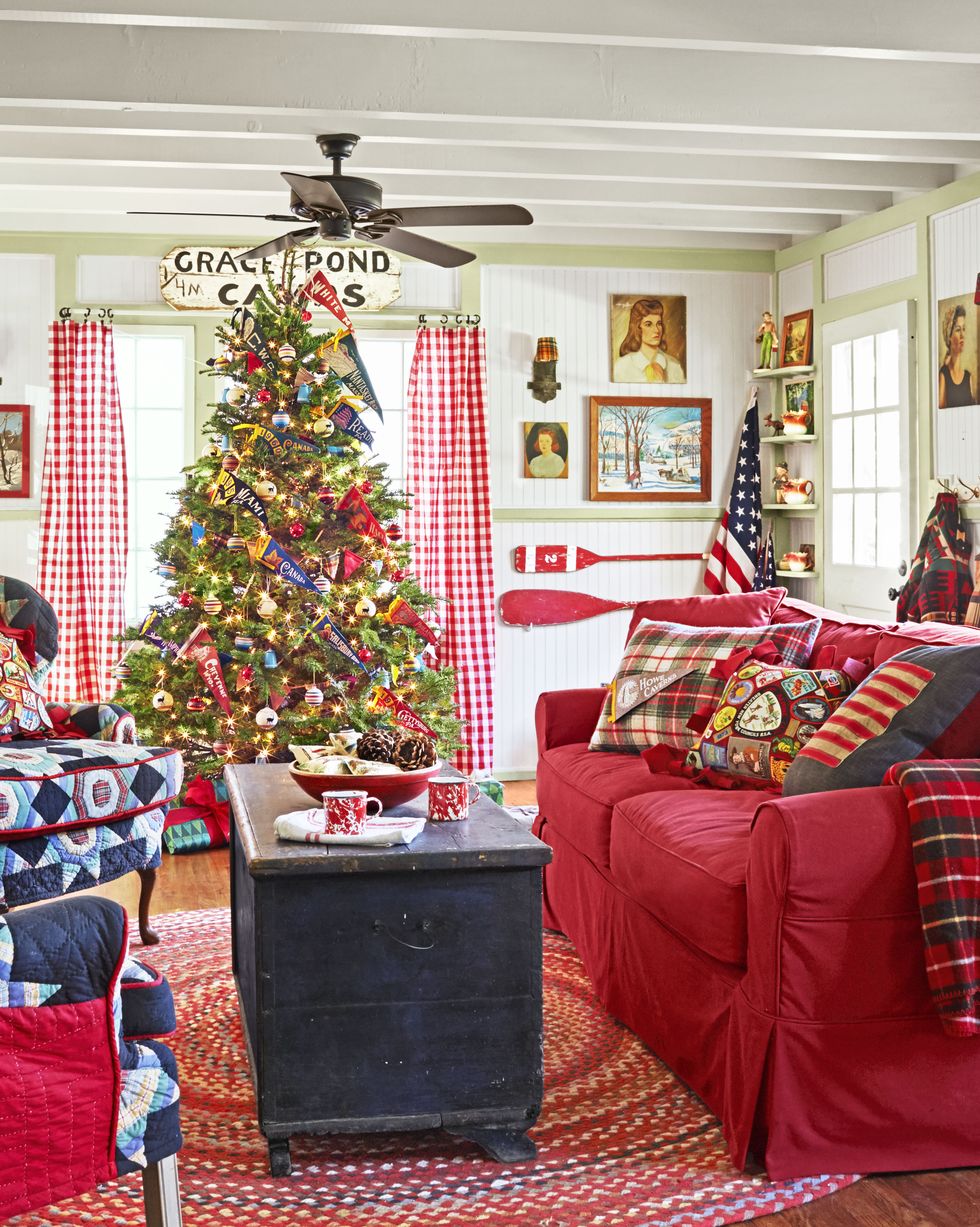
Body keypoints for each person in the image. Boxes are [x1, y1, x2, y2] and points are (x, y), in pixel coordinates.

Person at [613, 298, 685, 383]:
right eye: (648, 324)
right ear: (638, 328)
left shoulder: (674, 366)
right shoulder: (622, 366)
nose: (657, 330)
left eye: (659, 324)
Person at [938, 303, 976, 408]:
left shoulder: (968, 377)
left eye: (963, 329)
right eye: (958, 330)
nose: (962, 335)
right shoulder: (943, 375)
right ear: (949, 337)